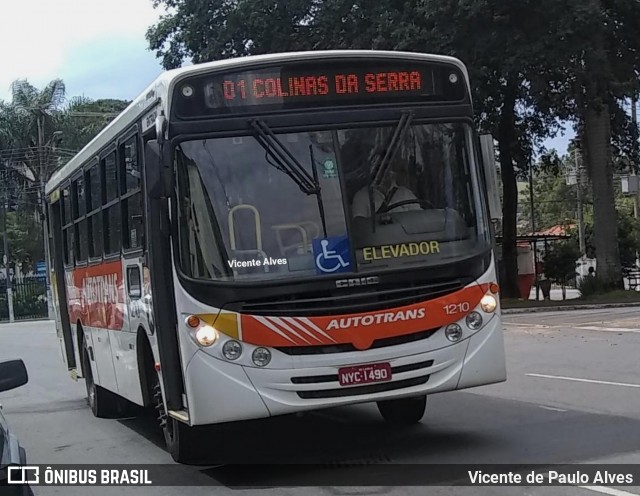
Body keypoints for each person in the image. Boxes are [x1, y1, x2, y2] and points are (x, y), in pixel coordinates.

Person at [351, 170, 421, 218]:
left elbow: (419, 217)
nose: (385, 173)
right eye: (381, 169)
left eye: (388, 170)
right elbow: (359, 226)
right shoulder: (361, 196)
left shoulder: (405, 193)